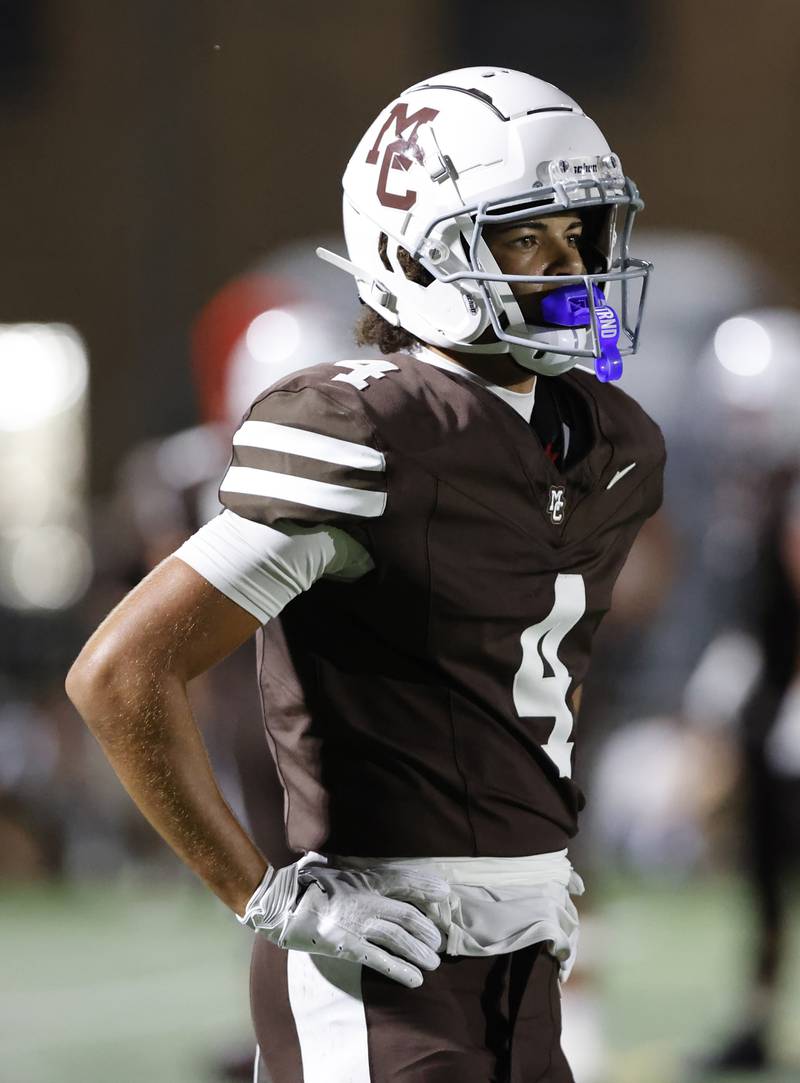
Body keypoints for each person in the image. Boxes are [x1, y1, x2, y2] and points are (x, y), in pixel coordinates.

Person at [66, 67, 664, 1083]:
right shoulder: (364, 430)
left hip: (524, 960)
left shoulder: (608, 439)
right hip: (380, 958)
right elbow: (119, 673)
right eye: (525, 237)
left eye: (581, 232)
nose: (572, 267)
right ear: (416, 252)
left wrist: (523, 865)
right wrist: (263, 894)